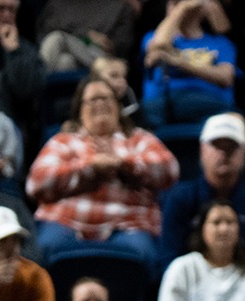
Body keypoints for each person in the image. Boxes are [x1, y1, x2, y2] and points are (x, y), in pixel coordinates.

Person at [26, 76, 177, 264]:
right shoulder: (63, 141)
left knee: (141, 254)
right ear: (80, 110)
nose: (100, 104)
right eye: (93, 100)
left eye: (106, 98)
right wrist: (90, 167)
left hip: (129, 224)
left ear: (118, 107)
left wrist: (124, 164)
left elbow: (170, 170)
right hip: (65, 222)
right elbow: (36, 183)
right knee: (46, 248)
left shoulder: (139, 139)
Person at [159, 112, 245, 266]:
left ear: (244, 152)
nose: (224, 153)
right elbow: (168, 260)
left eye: (232, 147)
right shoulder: (180, 199)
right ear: (202, 150)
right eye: (217, 146)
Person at [140, 0, 236, 126]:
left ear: (200, 7)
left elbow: (225, 77)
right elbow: (158, 44)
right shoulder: (153, 36)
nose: (176, 4)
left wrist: (177, 61)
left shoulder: (219, 42)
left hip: (211, 104)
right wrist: (182, 9)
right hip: (163, 105)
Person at [37, 0, 134, 74]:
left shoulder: (119, 6)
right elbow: (44, 34)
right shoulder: (59, 1)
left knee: (56, 38)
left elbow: (122, 46)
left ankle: (36, 81)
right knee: (65, 61)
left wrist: (109, 45)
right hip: (64, 49)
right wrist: (85, 35)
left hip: (99, 57)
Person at [0, 0, 43, 131]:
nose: (6, 15)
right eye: (0, 9)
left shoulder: (25, 49)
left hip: (16, 129)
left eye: (11, 10)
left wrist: (13, 52)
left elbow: (27, 92)